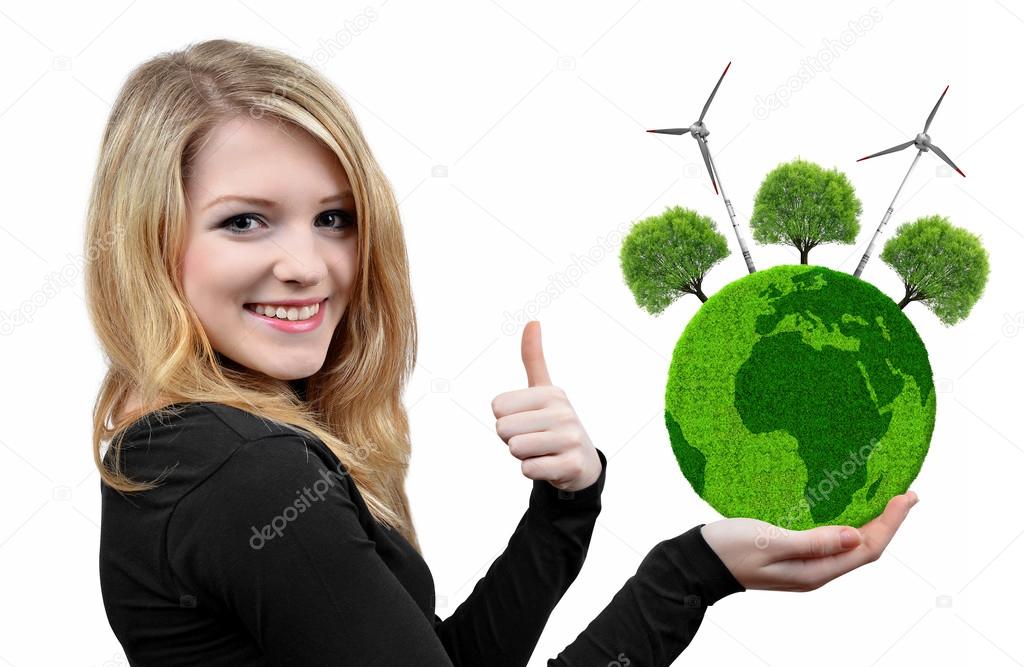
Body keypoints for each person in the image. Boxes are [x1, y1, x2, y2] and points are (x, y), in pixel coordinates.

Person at [88, 39, 918, 666]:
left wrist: (565, 507)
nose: (309, 264)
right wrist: (687, 574)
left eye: (334, 218)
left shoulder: (174, 451)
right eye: (245, 220)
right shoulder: (249, 474)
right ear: (149, 241)